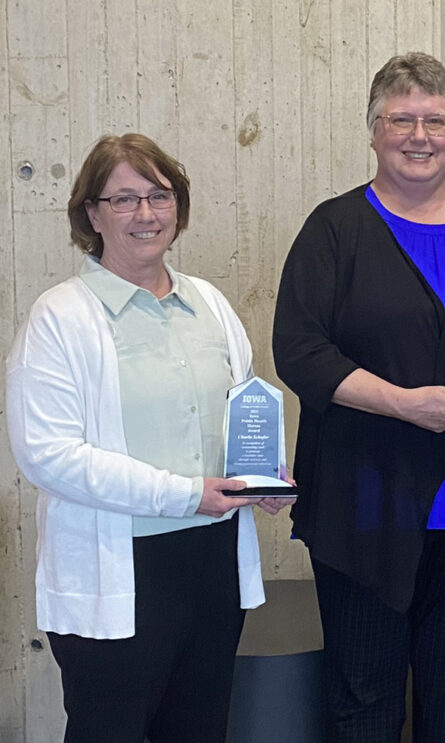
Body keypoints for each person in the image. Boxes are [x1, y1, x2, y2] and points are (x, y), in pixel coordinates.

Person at [272, 52, 445, 743]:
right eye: (402, 119)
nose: (419, 135)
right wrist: (404, 404)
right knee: (363, 699)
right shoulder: (333, 230)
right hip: (366, 505)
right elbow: (299, 352)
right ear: (373, 131)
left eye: (435, 120)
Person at [5, 133, 294, 743]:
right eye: (124, 199)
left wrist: (263, 473)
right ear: (92, 214)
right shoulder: (59, 318)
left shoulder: (210, 304)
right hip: (121, 572)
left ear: (178, 208)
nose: (145, 214)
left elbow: (241, 411)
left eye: (159, 196)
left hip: (211, 565)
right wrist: (186, 492)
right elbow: (49, 456)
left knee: (199, 729)